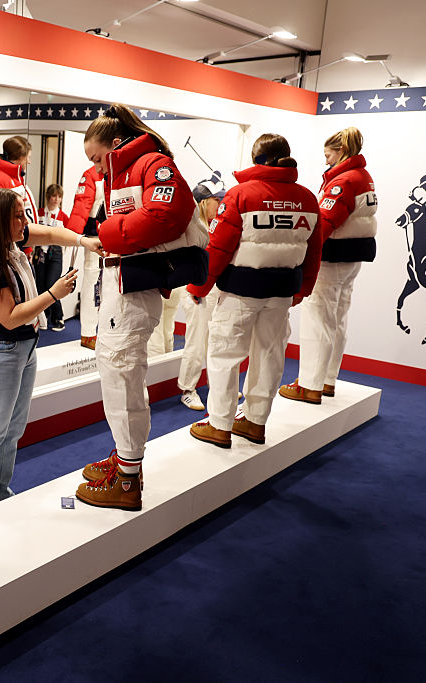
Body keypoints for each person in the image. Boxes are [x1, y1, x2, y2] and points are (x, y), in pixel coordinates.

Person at [75, 104, 206, 511]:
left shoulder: (153, 164)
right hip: (123, 281)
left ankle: (128, 478)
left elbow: (166, 215)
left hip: (134, 285)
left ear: (115, 144)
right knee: (115, 369)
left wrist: (107, 232)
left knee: (122, 372)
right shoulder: (125, 172)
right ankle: (125, 459)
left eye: (96, 158)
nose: (95, 168)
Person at [0, 188, 97, 520]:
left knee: (10, 430)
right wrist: (53, 294)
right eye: (19, 216)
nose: (25, 222)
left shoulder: (5, 239)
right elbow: (10, 317)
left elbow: (50, 234)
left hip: (20, 349)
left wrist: (83, 241)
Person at [188, 134, 322, 448]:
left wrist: (199, 286)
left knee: (225, 354)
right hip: (281, 294)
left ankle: (219, 425)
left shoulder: (240, 195)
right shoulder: (307, 199)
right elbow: (314, 252)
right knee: (270, 355)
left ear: (257, 160)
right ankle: (254, 422)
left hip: (239, 292)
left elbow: (218, 248)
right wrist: (303, 290)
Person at [280, 127, 377, 404]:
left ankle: (309, 385)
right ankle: (326, 380)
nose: (326, 160)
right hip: (351, 258)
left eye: (328, 155)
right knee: (337, 318)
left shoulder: (343, 181)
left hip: (332, 258)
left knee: (318, 319)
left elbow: (324, 223)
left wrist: (302, 254)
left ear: (341, 151)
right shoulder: (363, 177)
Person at [176, 173, 227, 411]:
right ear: (205, 201)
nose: (221, 204)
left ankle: (214, 385)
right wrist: (195, 289)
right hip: (195, 290)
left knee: (216, 342)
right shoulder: (191, 225)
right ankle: (187, 388)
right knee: (196, 342)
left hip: (214, 289)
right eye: (217, 199)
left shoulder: (217, 224)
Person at [67, 165, 105, 350]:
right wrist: (73, 236)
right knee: (92, 284)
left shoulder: (124, 170)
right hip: (95, 239)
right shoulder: (91, 175)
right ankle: (89, 333)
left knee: (113, 287)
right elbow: (81, 205)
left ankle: (105, 332)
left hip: (118, 237)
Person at [34, 183, 70, 332]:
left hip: (55, 252)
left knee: (52, 285)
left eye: (59, 197)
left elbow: (68, 236)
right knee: (40, 286)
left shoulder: (63, 217)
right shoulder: (39, 213)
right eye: (54, 196)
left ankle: (59, 317)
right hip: (41, 252)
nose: (56, 199)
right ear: (48, 197)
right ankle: (43, 317)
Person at [0, 135, 37, 226]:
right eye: (28, 157)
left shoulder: (17, 178)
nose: (29, 162)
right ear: (20, 157)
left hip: (24, 234)